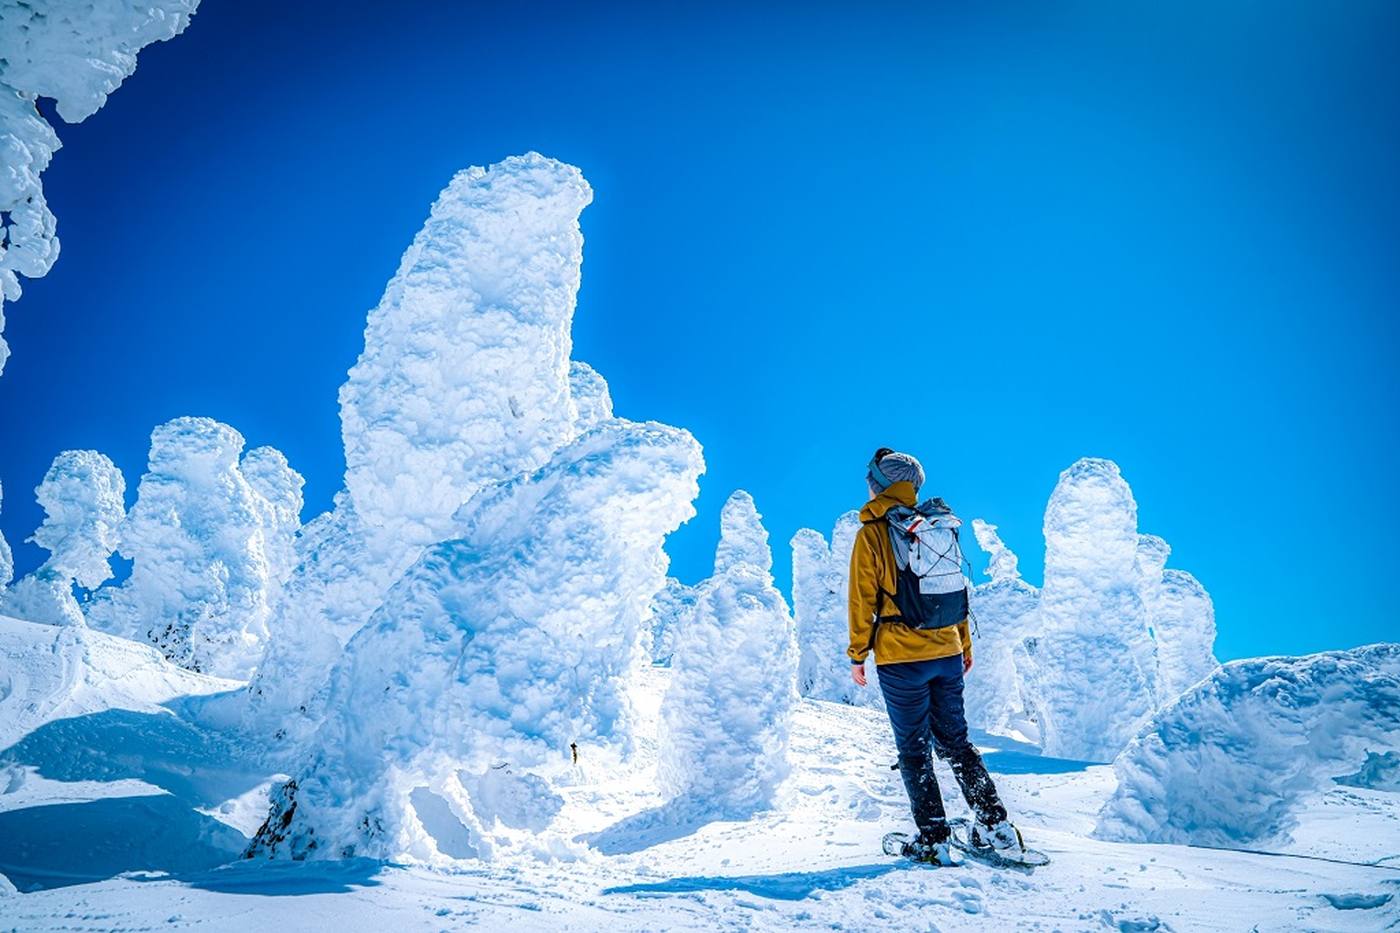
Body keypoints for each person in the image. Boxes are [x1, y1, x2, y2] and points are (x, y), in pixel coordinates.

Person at [848, 447, 1022, 865]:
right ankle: (996, 828)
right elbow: (958, 589)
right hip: (947, 650)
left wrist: (858, 653)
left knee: (913, 749)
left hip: (901, 656)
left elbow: (861, 598)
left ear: (878, 485)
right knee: (957, 744)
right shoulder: (936, 526)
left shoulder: (873, 533)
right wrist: (964, 643)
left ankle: (933, 838)